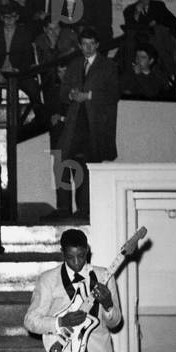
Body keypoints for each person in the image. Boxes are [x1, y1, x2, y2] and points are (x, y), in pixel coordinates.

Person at [53, 28, 119, 219]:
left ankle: (85, 210)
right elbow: (63, 91)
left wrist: (88, 96)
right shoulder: (74, 64)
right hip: (75, 123)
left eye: (91, 44)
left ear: (97, 45)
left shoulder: (108, 65)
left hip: (95, 124)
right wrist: (70, 95)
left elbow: (113, 94)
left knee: (88, 167)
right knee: (63, 161)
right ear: (80, 45)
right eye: (84, 44)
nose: (88, 48)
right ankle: (64, 209)